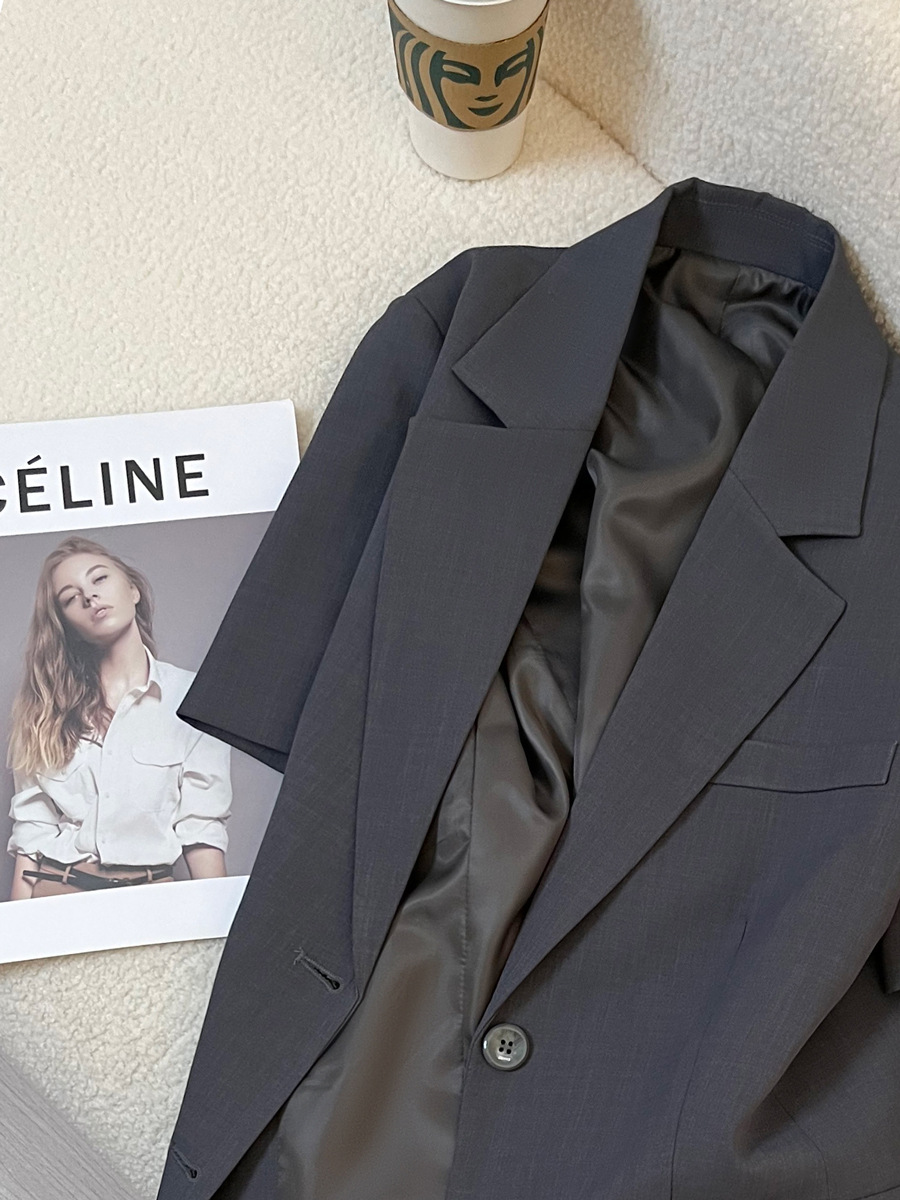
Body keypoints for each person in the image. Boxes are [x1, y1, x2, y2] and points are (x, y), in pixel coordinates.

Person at [5, 534, 232, 900]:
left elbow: (202, 829)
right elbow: (32, 832)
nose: (89, 596)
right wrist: (19, 934)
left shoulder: (194, 698)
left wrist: (218, 924)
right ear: (67, 625)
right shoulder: (44, 709)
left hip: (152, 900)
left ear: (133, 589)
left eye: (99, 578)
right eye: (70, 598)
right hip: (58, 895)